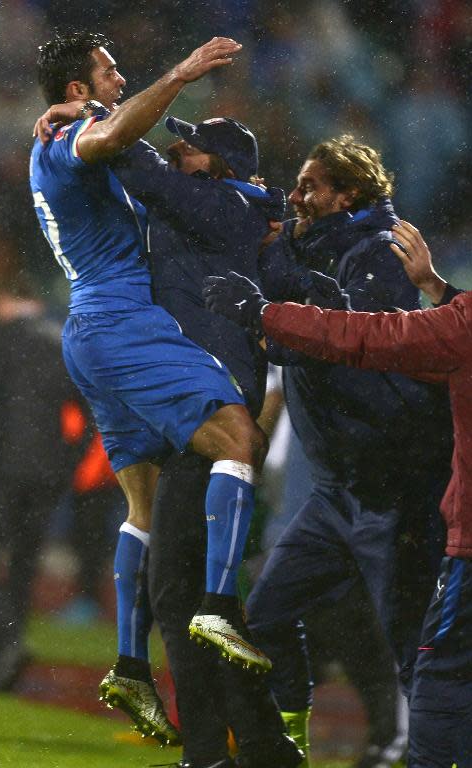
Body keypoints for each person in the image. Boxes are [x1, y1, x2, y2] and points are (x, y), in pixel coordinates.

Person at [36, 101, 305, 766]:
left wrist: (87, 116)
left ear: (224, 167)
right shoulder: (223, 208)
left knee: (186, 598)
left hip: (209, 419)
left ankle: (223, 750)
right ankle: (254, 748)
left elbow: (138, 166)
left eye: (193, 147)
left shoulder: (222, 206)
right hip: (191, 411)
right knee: (193, 604)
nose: (179, 151)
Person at [204, 137, 453, 767]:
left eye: (311, 186)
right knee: (258, 624)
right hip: (338, 494)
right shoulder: (308, 247)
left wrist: (276, 314)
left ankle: (430, 755)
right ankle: (287, 743)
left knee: (414, 655)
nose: (296, 197)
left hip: (397, 493)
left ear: (348, 194)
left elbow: (358, 345)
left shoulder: (382, 253)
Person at [0, 211, 83, 691]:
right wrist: (69, 462)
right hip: (49, 467)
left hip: (1, 464)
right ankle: (5, 662)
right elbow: (83, 407)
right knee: (21, 562)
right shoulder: (55, 336)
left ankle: (8, 641)